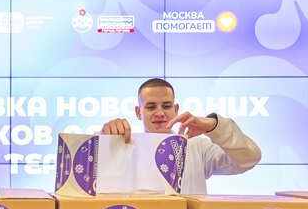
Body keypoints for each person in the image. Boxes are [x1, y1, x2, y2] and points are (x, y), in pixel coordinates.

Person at [101, 78, 261, 194]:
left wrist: (215, 126)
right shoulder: (124, 147)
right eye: (151, 107)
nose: (159, 113)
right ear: (138, 112)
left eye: (166, 106)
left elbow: (249, 159)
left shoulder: (197, 148)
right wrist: (105, 138)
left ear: (176, 109)